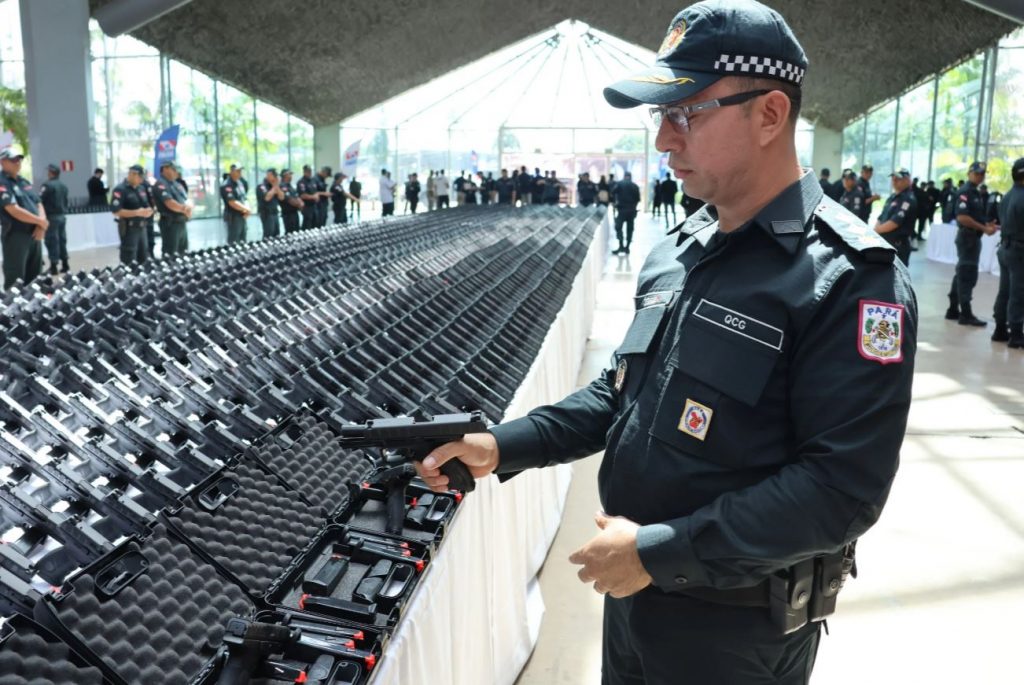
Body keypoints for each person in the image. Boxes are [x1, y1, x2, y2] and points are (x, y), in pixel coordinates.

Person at [415, 3, 916, 684]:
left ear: (770, 115)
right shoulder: (680, 251)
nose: (663, 141)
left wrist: (661, 550)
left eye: (685, 114)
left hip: (735, 631)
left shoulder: (850, 281)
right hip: (633, 596)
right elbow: (624, 391)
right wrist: (504, 444)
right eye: (660, 117)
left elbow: (841, 489)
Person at [946, 161, 998, 326]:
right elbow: (962, 217)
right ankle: (965, 313)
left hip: (972, 237)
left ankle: (953, 309)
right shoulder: (966, 192)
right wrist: (983, 227)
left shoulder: (975, 193)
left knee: (961, 272)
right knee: (967, 273)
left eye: (982, 174)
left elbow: (974, 216)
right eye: (976, 173)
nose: (979, 176)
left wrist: (987, 225)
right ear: (969, 173)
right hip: (968, 238)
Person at [0, 147, 47, 289]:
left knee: (35, 278)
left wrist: (41, 226)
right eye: (13, 159)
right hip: (16, 235)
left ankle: (34, 310)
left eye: (19, 159)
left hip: (35, 234)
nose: (17, 162)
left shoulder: (24, 182)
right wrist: (41, 222)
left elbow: (38, 203)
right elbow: (13, 209)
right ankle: (12, 311)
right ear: (3, 162)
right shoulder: (2, 183)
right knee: (15, 279)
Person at [992, 157, 1024, 348]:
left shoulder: (1008, 196)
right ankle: (1016, 334)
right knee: (1018, 292)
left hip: (1005, 248)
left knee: (1004, 291)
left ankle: (1000, 329)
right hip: (1019, 251)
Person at [110, 164, 154, 264]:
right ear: (132, 174)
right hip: (129, 229)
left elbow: (147, 205)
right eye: (140, 177)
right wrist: (137, 212)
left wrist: (149, 211)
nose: (142, 180)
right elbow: (116, 211)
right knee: (129, 258)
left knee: (144, 258)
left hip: (142, 228)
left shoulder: (141, 188)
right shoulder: (120, 190)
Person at [874, 168, 918, 266]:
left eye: (898, 179)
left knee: (896, 278)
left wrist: (875, 231)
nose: (894, 181)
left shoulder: (908, 198)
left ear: (907, 180)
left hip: (898, 246)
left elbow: (895, 223)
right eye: (893, 178)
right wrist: (876, 231)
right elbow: (881, 217)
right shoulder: (892, 197)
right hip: (886, 244)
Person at [153, 160, 191, 257]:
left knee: (183, 252)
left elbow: (186, 199)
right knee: (171, 254)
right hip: (170, 224)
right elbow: (169, 203)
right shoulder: (160, 184)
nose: (176, 172)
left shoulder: (176, 184)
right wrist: (184, 209)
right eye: (173, 169)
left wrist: (188, 208)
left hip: (181, 222)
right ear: (165, 169)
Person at [39, 163, 70, 274]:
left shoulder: (47, 185)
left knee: (52, 241)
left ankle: (53, 266)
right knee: (62, 240)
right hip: (62, 216)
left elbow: (40, 201)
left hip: (51, 217)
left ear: (51, 172)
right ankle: (65, 264)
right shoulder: (63, 186)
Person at [220, 163, 251, 244]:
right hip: (233, 218)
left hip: (242, 216)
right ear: (232, 172)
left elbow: (244, 198)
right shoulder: (227, 184)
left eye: (240, 171)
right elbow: (232, 202)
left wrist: (247, 210)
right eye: (237, 171)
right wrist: (246, 209)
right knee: (234, 243)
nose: (240, 173)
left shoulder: (240, 183)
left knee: (243, 242)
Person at [611, 171, 640, 255]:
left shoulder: (619, 184)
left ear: (624, 176)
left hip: (622, 210)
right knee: (630, 229)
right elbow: (638, 199)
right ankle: (627, 247)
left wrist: (615, 202)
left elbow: (612, 193)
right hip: (631, 211)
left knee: (618, 227)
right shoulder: (635, 186)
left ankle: (621, 246)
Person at [256, 168, 284, 239]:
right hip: (266, 214)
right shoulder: (262, 186)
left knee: (276, 234)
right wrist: (275, 186)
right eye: (273, 175)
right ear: (268, 175)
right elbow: (267, 198)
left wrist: (276, 186)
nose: (275, 177)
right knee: (268, 235)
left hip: (275, 213)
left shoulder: (274, 186)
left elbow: (282, 197)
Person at [280, 169, 303, 234]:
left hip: (295, 213)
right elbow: (289, 200)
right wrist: (299, 204)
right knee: (290, 233)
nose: (291, 176)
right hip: (288, 214)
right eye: (289, 174)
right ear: (285, 175)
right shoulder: (282, 186)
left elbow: (297, 196)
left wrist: (301, 203)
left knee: (296, 231)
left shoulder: (290, 186)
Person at [297, 165, 319, 230]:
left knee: (315, 224)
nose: (309, 173)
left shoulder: (312, 180)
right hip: (307, 207)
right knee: (307, 226)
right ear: (304, 172)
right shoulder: (301, 182)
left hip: (314, 206)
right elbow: (302, 195)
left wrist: (316, 196)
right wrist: (313, 197)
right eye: (308, 171)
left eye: (310, 171)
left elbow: (315, 191)